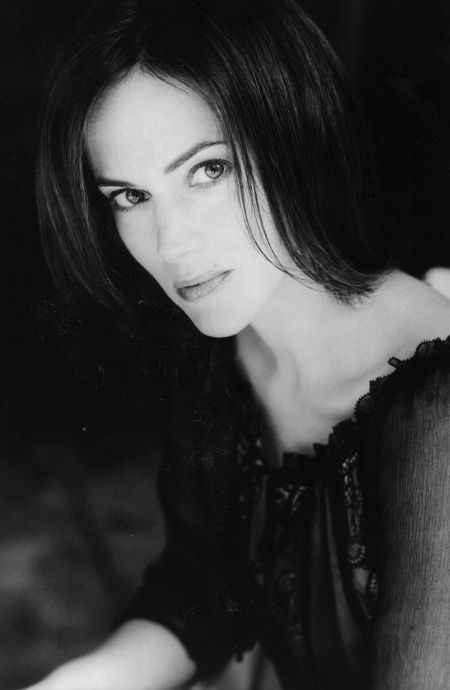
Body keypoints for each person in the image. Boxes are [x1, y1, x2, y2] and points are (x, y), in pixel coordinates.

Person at [22, 0, 450, 688]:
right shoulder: (219, 358)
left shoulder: (436, 412)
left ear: (297, 138)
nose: (171, 244)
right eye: (130, 196)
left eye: (208, 171)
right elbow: (197, 593)